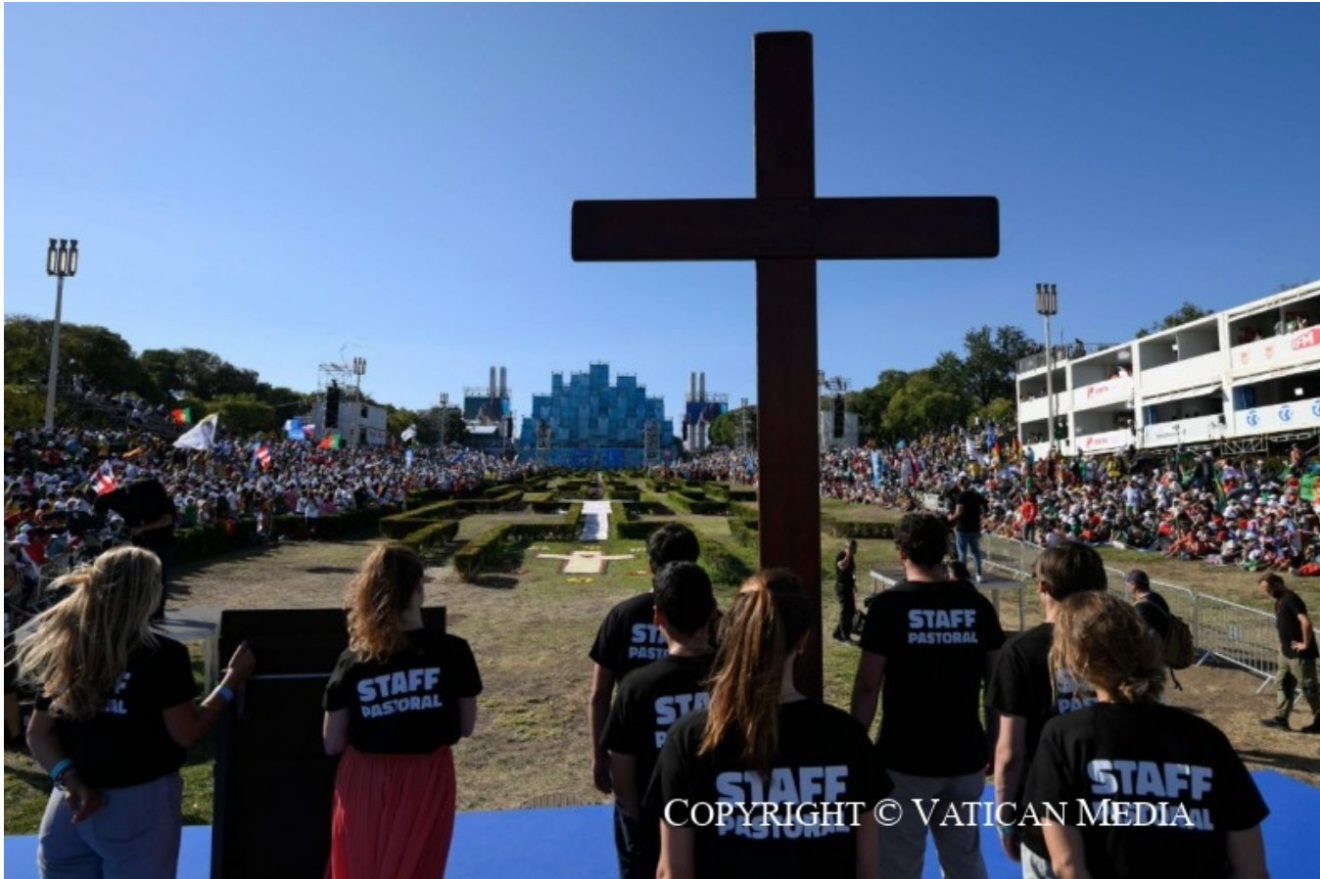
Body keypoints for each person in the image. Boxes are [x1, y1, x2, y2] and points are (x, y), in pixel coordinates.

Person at [17, 546, 255, 879]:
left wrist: (70, 780)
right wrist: (231, 681)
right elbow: (187, 732)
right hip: (138, 805)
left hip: (69, 806)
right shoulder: (162, 655)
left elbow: (38, 734)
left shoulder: (70, 646)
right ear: (149, 591)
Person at [652, 569, 889, 877]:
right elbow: (868, 867)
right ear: (803, 640)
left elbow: (673, 871)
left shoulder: (691, 739)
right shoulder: (847, 737)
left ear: (732, 632)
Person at [1024, 591, 1270, 879]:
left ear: (1078, 662)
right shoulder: (1206, 738)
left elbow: (1067, 865)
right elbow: (1251, 868)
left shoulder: (1066, 737)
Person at [852, 512, 1005, 879]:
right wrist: (995, 742)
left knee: (899, 862)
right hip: (965, 756)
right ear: (944, 550)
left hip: (904, 759)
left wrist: (856, 747)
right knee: (964, 860)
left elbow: (868, 684)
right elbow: (997, 684)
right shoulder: (977, 606)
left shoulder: (889, 607)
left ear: (901, 551)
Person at [322, 543, 482, 879]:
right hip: (427, 779)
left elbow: (332, 742)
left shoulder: (353, 660)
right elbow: (466, 726)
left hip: (366, 781)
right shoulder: (453, 651)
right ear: (419, 589)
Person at [987, 543, 1108, 879]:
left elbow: (1010, 752)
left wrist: (1005, 820)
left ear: (1043, 587)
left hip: (1046, 809)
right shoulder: (1121, 644)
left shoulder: (1021, 652)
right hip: (1114, 801)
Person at [602, 562, 716, 879]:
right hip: (723, 831)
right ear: (712, 612)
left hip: (656, 833)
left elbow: (623, 781)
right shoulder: (735, 679)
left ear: (658, 618)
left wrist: (644, 830)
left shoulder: (636, 688)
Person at [588, 524, 700, 795]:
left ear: (651, 566)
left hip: (636, 756)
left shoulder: (623, 615)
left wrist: (599, 754)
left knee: (636, 826)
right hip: (698, 753)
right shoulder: (711, 618)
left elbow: (599, 695)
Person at [95, 477, 176, 620]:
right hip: (142, 544)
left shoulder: (164, 501)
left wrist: (142, 528)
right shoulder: (137, 501)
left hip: (162, 544)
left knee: (159, 579)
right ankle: (143, 611)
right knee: (142, 578)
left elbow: (166, 520)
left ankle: (157, 612)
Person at [1258, 572, 1319, 733]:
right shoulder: (1279, 601)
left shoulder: (1291, 599)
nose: (1267, 594)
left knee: (1309, 688)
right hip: (1285, 654)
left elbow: (1305, 622)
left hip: (1300, 656)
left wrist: (1305, 644)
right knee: (1283, 684)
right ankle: (1281, 719)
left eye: (1268, 590)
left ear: (1278, 584)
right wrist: (1281, 645)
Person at [949, 475, 986, 583]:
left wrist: (951, 518)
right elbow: (983, 508)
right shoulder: (975, 495)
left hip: (963, 528)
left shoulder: (961, 496)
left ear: (960, 484)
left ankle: (962, 575)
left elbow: (959, 511)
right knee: (976, 553)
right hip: (975, 527)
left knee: (962, 553)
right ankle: (979, 574)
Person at [833, 539, 858, 642]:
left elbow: (851, 571)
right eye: (852, 548)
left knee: (851, 611)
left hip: (848, 587)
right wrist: (848, 555)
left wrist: (854, 583)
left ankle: (838, 633)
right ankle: (844, 636)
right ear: (846, 547)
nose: (854, 550)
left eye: (855, 548)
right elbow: (842, 567)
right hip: (842, 587)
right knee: (845, 611)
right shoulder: (841, 555)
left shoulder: (852, 558)